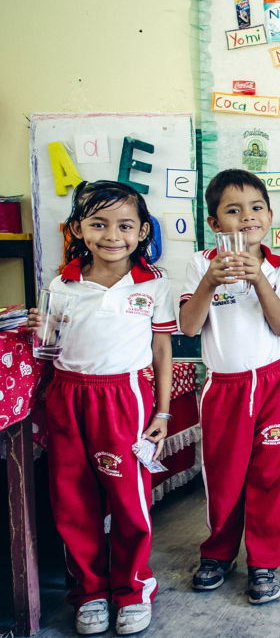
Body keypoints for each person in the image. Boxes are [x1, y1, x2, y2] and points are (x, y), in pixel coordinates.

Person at [29, 180, 175, 635]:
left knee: (129, 499)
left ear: (141, 231)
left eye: (125, 225)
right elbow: (48, 351)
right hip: (68, 395)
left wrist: (163, 414)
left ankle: (133, 588)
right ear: (78, 228)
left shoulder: (153, 285)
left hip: (124, 399)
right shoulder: (61, 282)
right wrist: (42, 329)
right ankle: (89, 591)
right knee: (73, 499)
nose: (113, 235)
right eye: (99, 223)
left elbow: (162, 353)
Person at [179, 169, 280, 605]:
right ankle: (219, 552)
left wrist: (258, 278)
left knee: (271, 476)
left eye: (256, 207)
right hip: (224, 388)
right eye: (233, 210)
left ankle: (264, 562)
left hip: (273, 385)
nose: (247, 217)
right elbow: (189, 326)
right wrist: (211, 281)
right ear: (214, 222)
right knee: (225, 478)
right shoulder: (198, 264)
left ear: (269, 215)